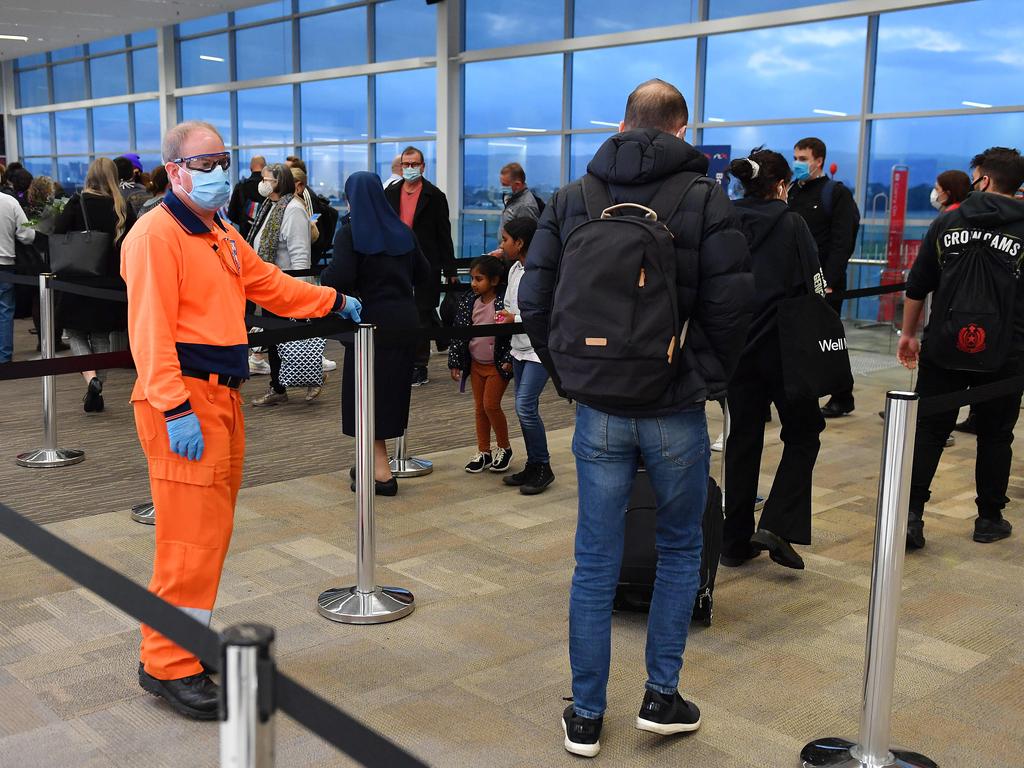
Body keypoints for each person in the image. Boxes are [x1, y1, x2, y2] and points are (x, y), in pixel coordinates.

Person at [519, 78, 752, 757]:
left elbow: (535, 299)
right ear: (683, 129)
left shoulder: (572, 197)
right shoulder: (706, 198)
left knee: (594, 559)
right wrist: (700, 375)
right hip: (675, 407)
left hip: (599, 408)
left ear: (623, 125)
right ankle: (661, 697)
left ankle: (586, 715)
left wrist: (570, 375)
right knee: (680, 548)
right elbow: (731, 308)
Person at [122, 119, 360, 720]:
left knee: (209, 538)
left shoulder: (220, 228)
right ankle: (166, 663)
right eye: (205, 163)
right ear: (174, 170)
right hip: (183, 401)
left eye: (222, 159)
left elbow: (271, 286)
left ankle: (185, 646)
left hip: (223, 398)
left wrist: (332, 301)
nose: (220, 172)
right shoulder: (156, 235)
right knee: (187, 541)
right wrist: (174, 407)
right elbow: (148, 333)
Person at [898, 146, 1024, 551]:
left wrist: (907, 333)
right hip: (1009, 350)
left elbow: (918, 285)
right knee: (996, 435)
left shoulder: (947, 221)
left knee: (931, 429)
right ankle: (989, 518)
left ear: (984, 179)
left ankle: (912, 516)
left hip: (945, 344)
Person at [719, 149, 826, 572]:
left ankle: (733, 539)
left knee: (742, 439)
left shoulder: (725, 221)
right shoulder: (791, 223)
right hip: (785, 351)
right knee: (805, 432)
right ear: (782, 185)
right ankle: (778, 524)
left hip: (738, 351)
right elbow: (814, 288)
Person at [321, 172, 430, 496]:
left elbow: (338, 276)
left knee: (365, 396)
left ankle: (381, 474)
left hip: (369, 325)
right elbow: (423, 274)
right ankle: (374, 463)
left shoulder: (351, 233)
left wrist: (326, 275)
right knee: (389, 394)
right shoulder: (403, 231)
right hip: (404, 323)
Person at [54, 157, 138, 412]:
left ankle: (91, 379)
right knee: (101, 334)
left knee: (76, 332)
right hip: (111, 282)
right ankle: (97, 383)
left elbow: (57, 235)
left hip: (77, 280)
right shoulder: (121, 206)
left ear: (89, 177)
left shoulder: (76, 203)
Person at [788, 137, 861, 418]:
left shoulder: (835, 193)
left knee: (826, 340)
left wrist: (829, 280)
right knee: (797, 339)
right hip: (795, 279)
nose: (798, 163)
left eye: (803, 159)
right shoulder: (793, 192)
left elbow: (843, 240)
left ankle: (842, 394)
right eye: (795, 157)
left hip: (824, 282)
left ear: (819, 160)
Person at [246, 162, 319, 406]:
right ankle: (278, 387)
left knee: (295, 339)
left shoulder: (293, 209)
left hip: (288, 285)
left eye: (267, 180)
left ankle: (311, 379)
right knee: (276, 339)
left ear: (280, 182)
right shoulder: (271, 205)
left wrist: (301, 290)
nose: (263, 183)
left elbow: (300, 254)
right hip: (270, 285)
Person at [385, 145, 458, 387]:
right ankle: (402, 360)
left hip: (426, 262)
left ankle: (420, 365)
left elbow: (443, 234)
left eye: (414, 164)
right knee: (398, 312)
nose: (409, 168)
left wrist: (450, 270)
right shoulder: (391, 192)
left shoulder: (434, 195)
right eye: (406, 164)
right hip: (396, 261)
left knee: (423, 314)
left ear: (423, 166)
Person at [494, 216, 554, 494]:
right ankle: (534, 463)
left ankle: (543, 466)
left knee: (525, 406)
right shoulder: (515, 269)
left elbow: (544, 311)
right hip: (519, 346)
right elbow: (508, 304)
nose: (501, 245)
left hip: (538, 349)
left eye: (505, 239)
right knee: (524, 407)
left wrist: (514, 317)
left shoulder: (542, 271)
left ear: (520, 242)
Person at [449, 255, 515, 474]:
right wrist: (456, 362)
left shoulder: (503, 301)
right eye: (472, 279)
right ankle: (483, 451)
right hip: (476, 364)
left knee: (490, 405)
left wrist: (507, 359)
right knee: (479, 409)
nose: (474, 284)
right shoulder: (469, 301)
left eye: (479, 279)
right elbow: (460, 333)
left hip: (497, 366)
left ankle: (504, 447)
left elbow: (508, 335)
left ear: (494, 280)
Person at [0, 182, 36, 363]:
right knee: (5, 312)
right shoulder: (10, 202)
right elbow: (27, 235)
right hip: (5, 264)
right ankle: (3, 358)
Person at [487, 163, 540, 256]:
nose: (502, 188)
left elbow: (527, 240)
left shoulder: (525, 206)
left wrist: (502, 253)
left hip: (515, 259)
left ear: (518, 185)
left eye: (505, 185)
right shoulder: (511, 198)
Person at [226, 155, 265, 239]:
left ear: (250, 167)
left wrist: (243, 221)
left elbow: (231, 214)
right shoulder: (270, 186)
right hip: (265, 235)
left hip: (246, 235)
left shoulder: (241, 186)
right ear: (264, 167)